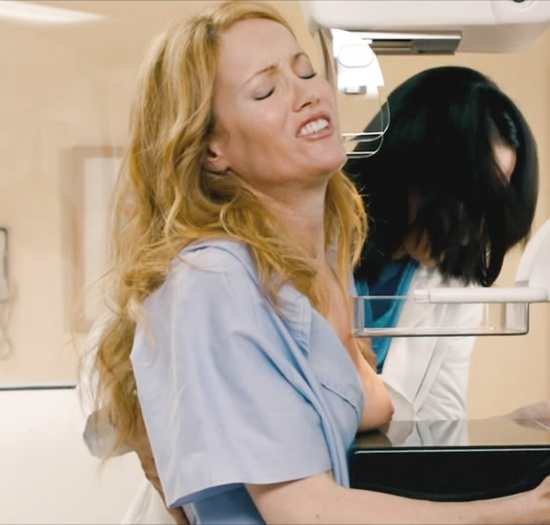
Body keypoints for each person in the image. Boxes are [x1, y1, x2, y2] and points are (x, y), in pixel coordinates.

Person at [88, 2, 550, 523]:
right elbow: (305, 510)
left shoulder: (320, 261)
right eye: (266, 90)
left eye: (306, 71)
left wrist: (516, 427)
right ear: (212, 148)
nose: (307, 92)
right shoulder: (217, 278)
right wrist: (523, 510)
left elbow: (384, 424)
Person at [344, 65, 539, 422]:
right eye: (468, 196)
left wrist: (509, 427)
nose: (473, 229)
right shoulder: (314, 243)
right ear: (410, 166)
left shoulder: (456, 284)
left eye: (491, 204)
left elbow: (440, 424)